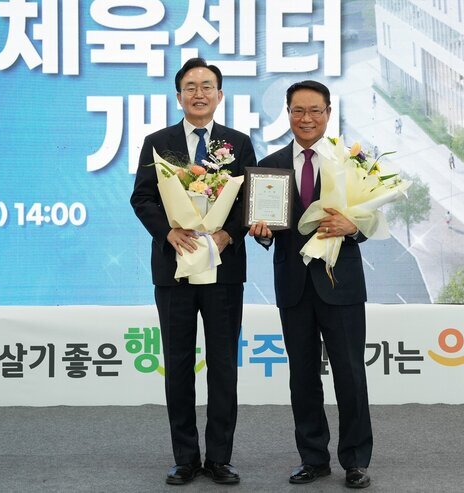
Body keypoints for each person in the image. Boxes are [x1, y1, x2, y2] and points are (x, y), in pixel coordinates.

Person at [130, 58, 257, 486]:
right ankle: (185, 458)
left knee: (223, 366)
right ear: (178, 95)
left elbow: (250, 200)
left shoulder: (238, 143)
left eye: (206, 86)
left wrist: (227, 234)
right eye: (190, 86)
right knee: (179, 363)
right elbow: (142, 198)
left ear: (219, 95)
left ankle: (219, 458)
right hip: (174, 271)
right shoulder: (157, 143)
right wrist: (167, 232)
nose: (198, 93)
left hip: (224, 271)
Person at [249, 80, 373, 489]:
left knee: (350, 375)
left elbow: (370, 218)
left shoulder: (350, 161)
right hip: (294, 286)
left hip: (341, 285)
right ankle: (313, 458)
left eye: (315, 110)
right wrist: (262, 233)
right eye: (298, 111)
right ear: (287, 114)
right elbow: (269, 229)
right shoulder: (270, 166)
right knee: (302, 377)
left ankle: (356, 461)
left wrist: (353, 227)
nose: (306, 119)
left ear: (328, 113)